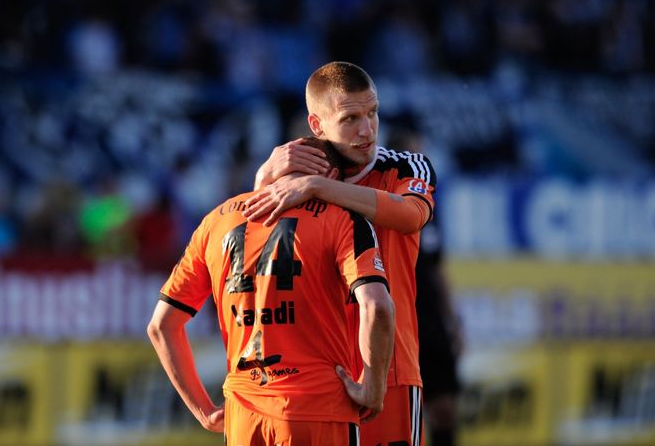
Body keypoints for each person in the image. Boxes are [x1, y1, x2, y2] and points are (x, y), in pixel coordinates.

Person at [147, 137, 395, 445]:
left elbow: (161, 325)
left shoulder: (216, 221)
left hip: (244, 417)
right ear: (331, 179)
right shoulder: (343, 219)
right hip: (319, 409)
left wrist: (203, 410)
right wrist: (373, 387)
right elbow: (377, 307)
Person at [244, 61, 437, 446]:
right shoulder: (289, 175)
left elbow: (411, 215)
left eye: (372, 113)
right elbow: (250, 249)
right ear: (317, 125)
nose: (367, 131)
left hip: (389, 372)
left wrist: (317, 187)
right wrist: (262, 180)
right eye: (350, 118)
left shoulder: (404, 166)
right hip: (316, 377)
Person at [390, 127, 462, 446]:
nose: (423, 163)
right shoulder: (376, 205)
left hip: (430, 320)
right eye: (416, 153)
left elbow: (436, 267)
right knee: (401, 417)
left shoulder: (427, 206)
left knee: (444, 408)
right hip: (397, 321)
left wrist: (451, 319)